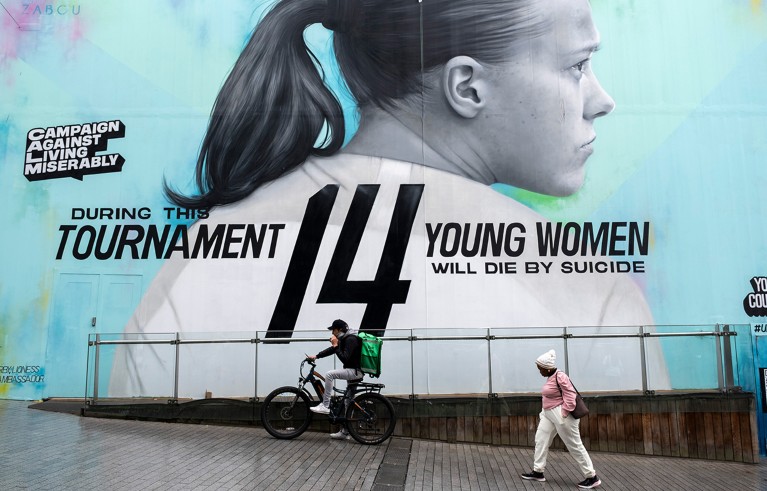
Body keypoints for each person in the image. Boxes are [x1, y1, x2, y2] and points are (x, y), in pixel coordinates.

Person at [110, 0, 669, 398]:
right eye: (577, 65)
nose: (601, 100)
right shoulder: (586, 292)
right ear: (467, 87)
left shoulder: (197, 265)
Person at [521, 349, 601, 489]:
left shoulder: (560, 376)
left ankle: (592, 477)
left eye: (540, 368)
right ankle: (538, 472)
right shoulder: (550, 376)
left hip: (561, 415)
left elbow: (571, 396)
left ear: (548, 367)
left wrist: (563, 414)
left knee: (574, 445)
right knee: (541, 440)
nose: (539, 371)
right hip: (548, 414)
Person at [307, 318, 363, 440]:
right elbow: (331, 350)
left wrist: (335, 345)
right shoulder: (345, 339)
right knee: (348, 401)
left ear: (339, 329)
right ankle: (345, 432)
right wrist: (316, 356)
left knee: (329, 374)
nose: (332, 333)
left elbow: (345, 359)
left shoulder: (351, 339)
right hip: (353, 371)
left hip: (355, 372)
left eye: (334, 330)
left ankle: (325, 405)